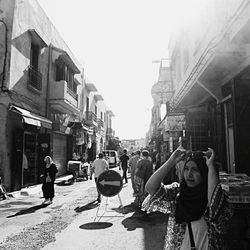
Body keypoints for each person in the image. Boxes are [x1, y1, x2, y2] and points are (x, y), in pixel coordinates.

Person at [142, 147, 233, 249]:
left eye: (195, 170)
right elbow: (151, 188)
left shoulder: (213, 198)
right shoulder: (177, 194)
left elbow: (215, 205)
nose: (189, 174)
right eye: (186, 168)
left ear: (205, 173)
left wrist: (211, 166)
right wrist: (171, 161)